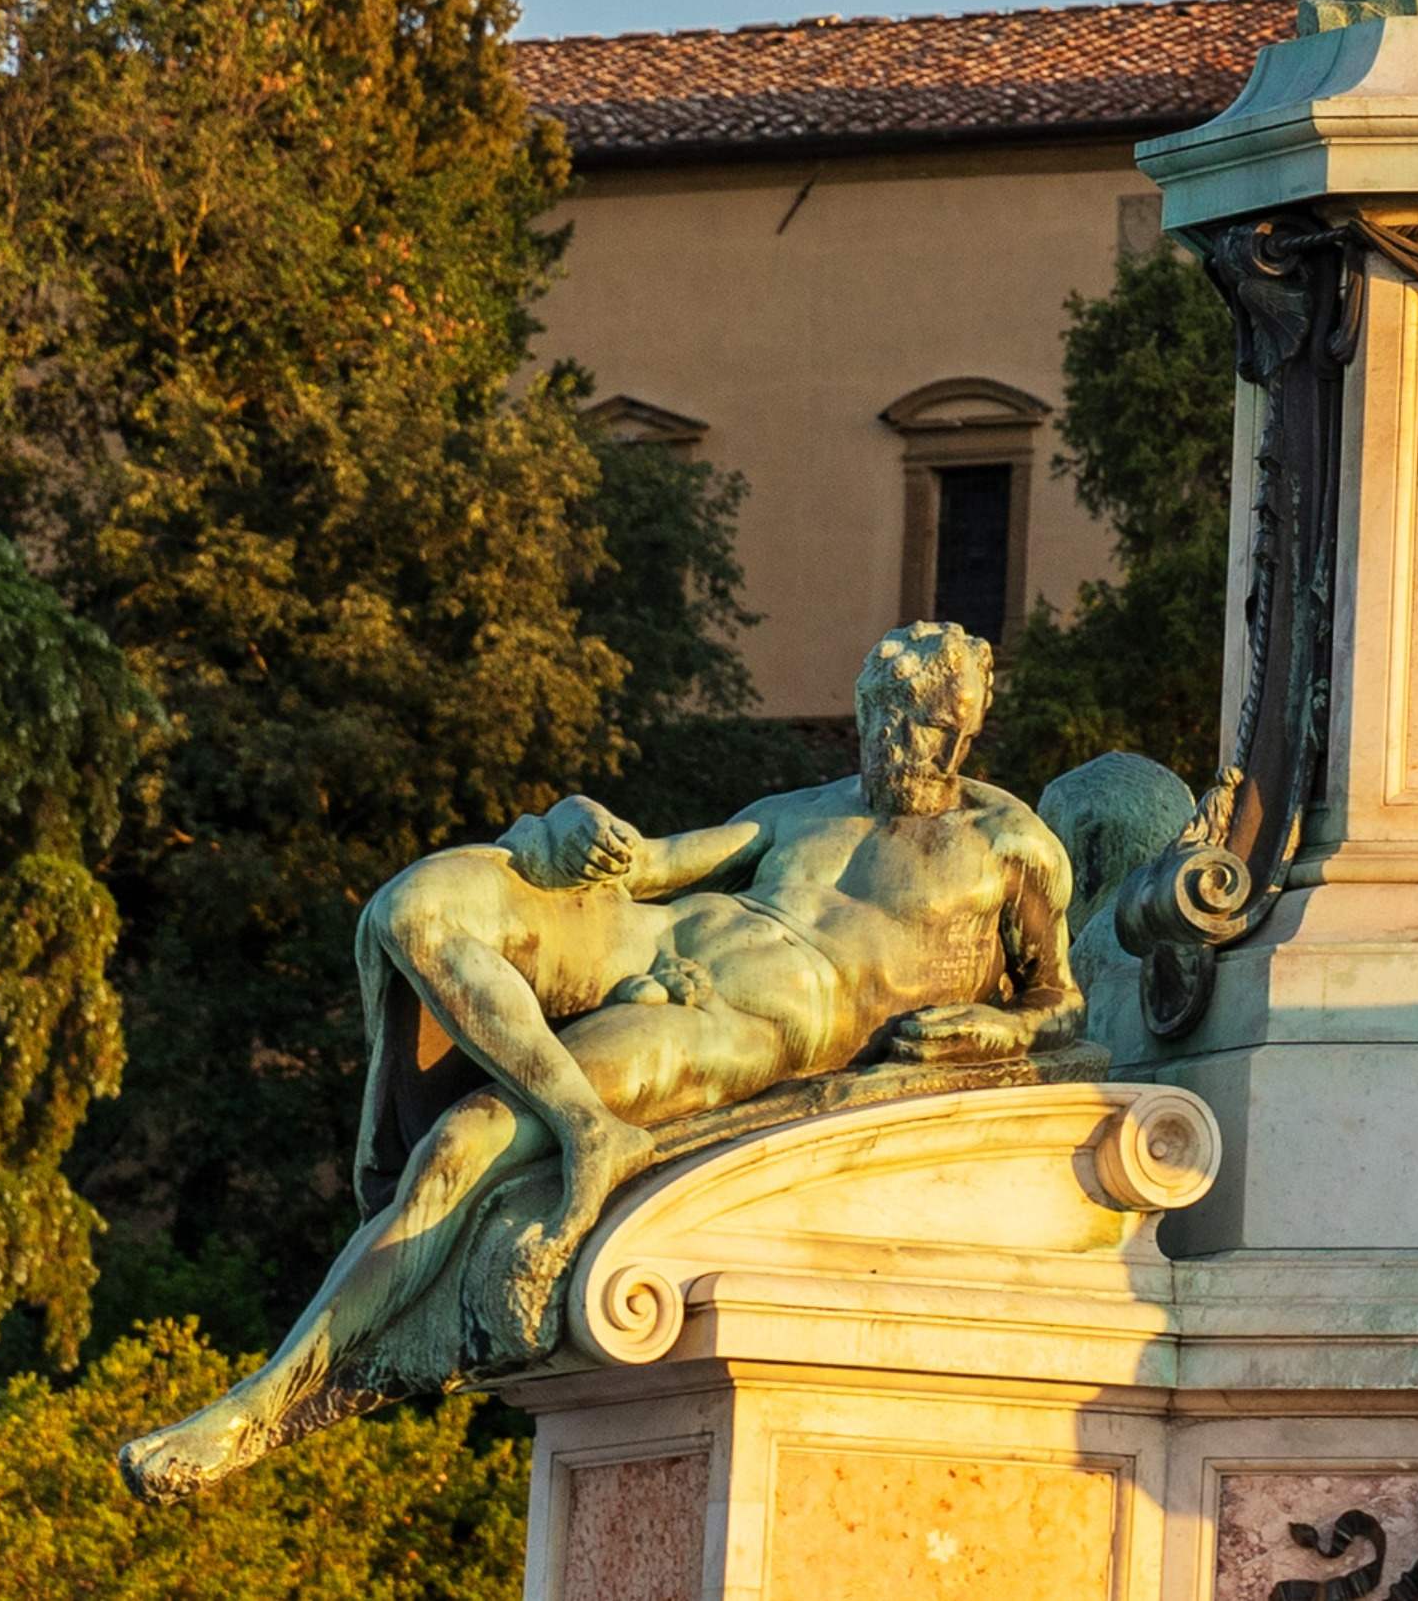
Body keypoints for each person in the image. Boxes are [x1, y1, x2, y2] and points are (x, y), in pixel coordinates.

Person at [122, 623, 1086, 1499]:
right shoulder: (803, 809)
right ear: (870, 712)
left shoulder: (1012, 847)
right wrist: (575, 820)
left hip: (732, 1024)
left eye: (949, 732)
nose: (927, 751)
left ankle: (254, 1411)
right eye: (908, 725)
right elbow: (650, 865)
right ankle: (587, 1125)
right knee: (415, 907)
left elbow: (1060, 1002)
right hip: (652, 940)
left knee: (466, 1142)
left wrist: (1000, 1030)